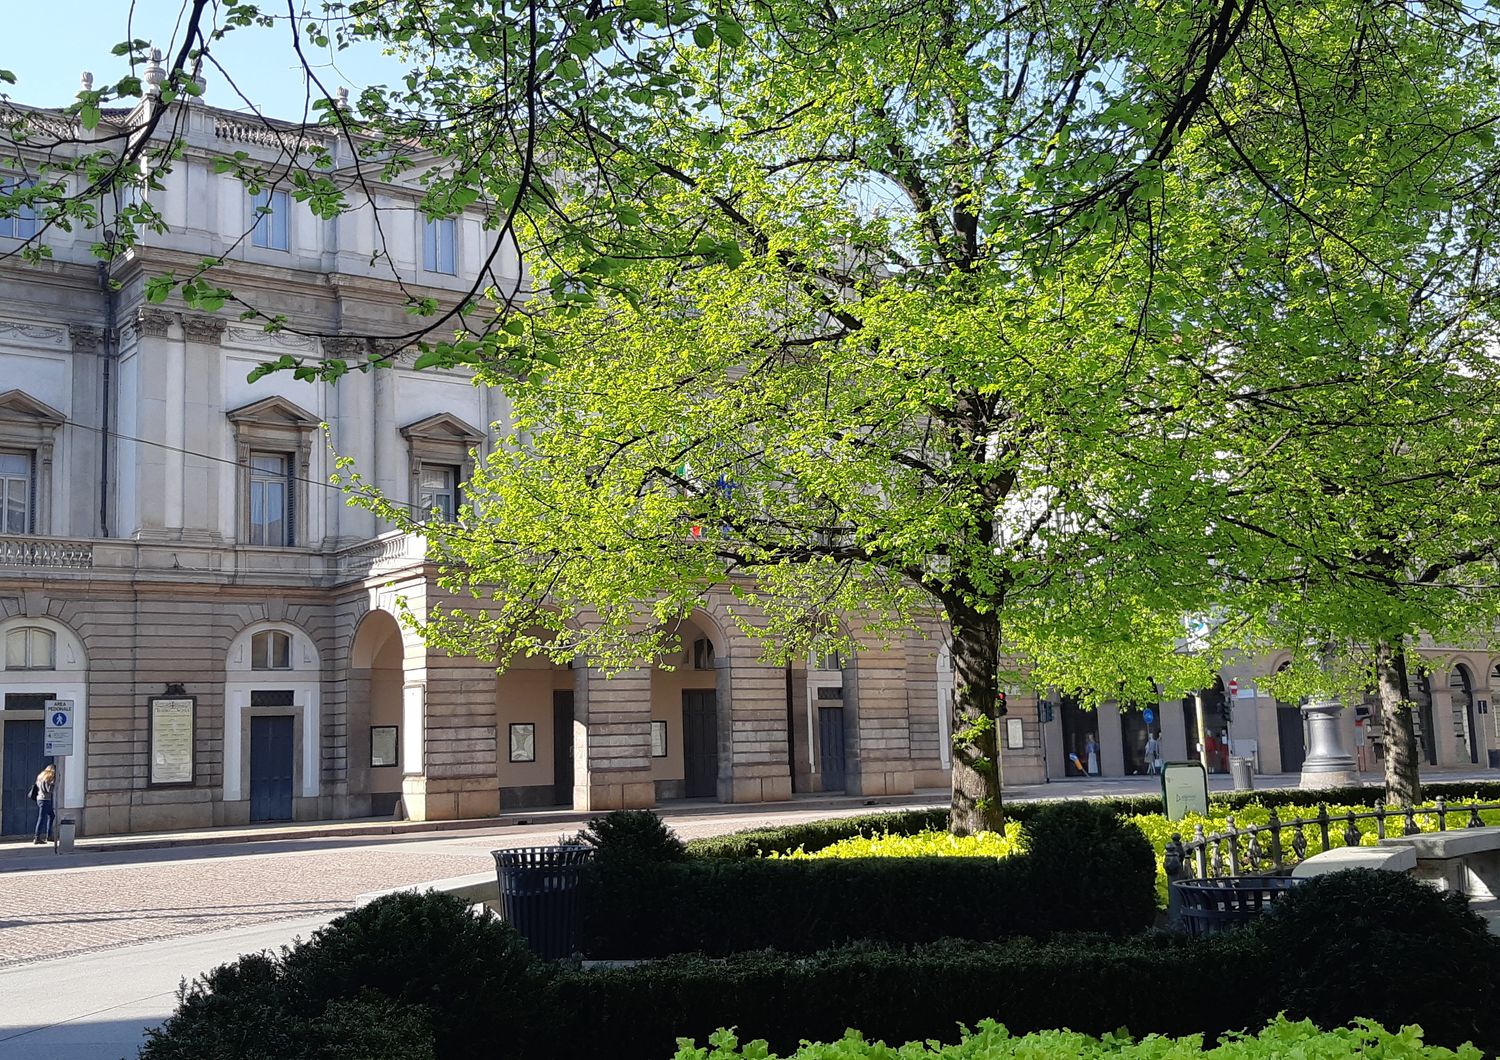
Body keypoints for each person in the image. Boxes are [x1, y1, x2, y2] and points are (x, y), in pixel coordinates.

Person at [33, 763, 56, 845]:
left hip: (40, 798)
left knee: (51, 815)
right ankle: (37, 837)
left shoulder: (40, 776)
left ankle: (49, 835)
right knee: (42, 818)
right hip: (45, 800)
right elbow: (49, 790)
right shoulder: (48, 778)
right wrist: (53, 783)